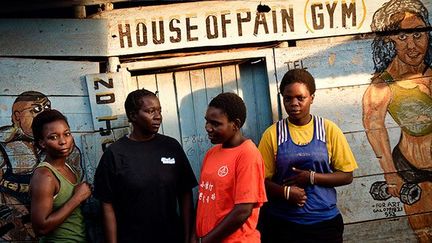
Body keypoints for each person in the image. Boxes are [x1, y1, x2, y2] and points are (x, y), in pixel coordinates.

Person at [258, 69, 358, 242]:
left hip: (324, 224)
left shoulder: (328, 130)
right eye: (287, 99)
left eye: (300, 98)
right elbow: (258, 181)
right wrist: (286, 192)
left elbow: (347, 175)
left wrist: (311, 177)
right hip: (283, 224)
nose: (294, 103)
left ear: (312, 97)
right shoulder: (273, 134)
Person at [362, 0, 432, 241]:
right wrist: (391, 174)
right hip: (415, 174)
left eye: (418, 34)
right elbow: (374, 127)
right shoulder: (383, 85)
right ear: (389, 41)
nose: (412, 46)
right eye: (402, 38)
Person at [93, 89, 197, 243]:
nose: (158, 116)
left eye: (159, 110)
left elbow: (185, 193)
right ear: (133, 115)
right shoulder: (115, 154)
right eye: (150, 111)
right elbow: (107, 204)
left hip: (171, 237)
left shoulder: (171, 146)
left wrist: (188, 236)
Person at [194, 92, 267, 243]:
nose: (208, 128)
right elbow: (203, 197)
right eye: (207, 121)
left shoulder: (248, 154)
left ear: (236, 124)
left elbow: (243, 210)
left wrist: (205, 241)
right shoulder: (211, 153)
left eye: (215, 123)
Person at [30, 109, 91, 242]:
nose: (63, 141)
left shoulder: (68, 167)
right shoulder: (45, 176)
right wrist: (77, 198)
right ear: (42, 143)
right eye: (53, 137)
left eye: (67, 134)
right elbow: (41, 228)